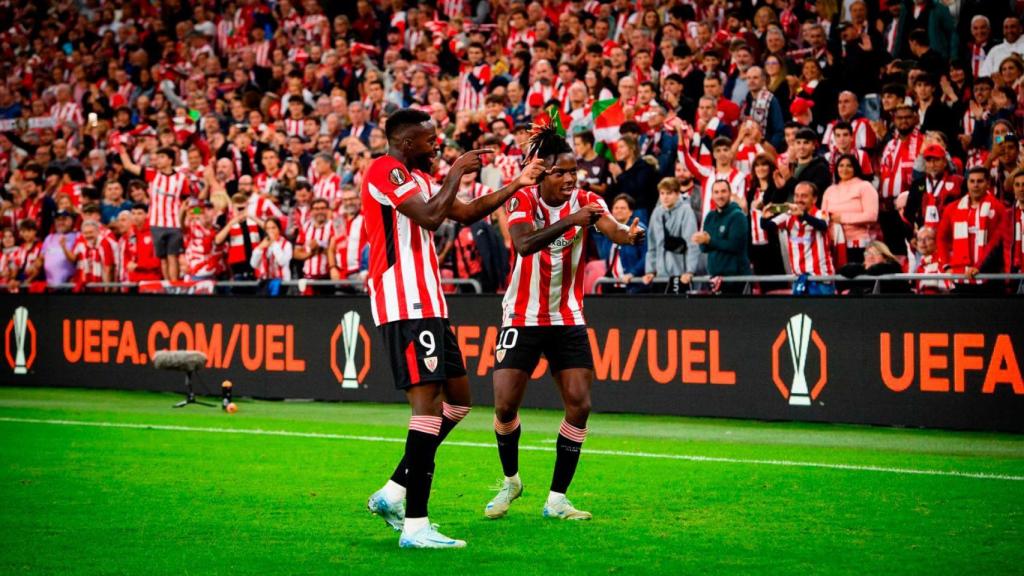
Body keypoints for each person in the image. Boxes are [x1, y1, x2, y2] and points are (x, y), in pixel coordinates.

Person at [363, 108, 543, 549]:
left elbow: (461, 213)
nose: (436, 145)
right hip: (404, 302)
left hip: (430, 303)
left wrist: (516, 184)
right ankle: (416, 526)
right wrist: (458, 172)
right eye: (429, 139)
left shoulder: (420, 179)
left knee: (458, 401)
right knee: (426, 409)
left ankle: (393, 492)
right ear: (406, 143)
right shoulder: (385, 170)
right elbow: (428, 216)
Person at [484, 123, 644, 522]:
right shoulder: (522, 199)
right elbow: (523, 245)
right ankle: (511, 480)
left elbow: (613, 229)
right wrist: (573, 220)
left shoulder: (588, 200)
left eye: (575, 171)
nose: (572, 178)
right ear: (541, 172)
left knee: (580, 404)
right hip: (521, 315)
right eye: (562, 172)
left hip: (566, 316)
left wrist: (629, 236)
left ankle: (557, 499)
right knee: (504, 405)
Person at [118, 146, 191, 281]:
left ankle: (174, 285)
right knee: (163, 258)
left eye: (162, 157)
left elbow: (188, 203)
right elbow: (128, 166)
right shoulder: (152, 174)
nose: (158, 160)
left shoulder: (181, 179)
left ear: (170, 160)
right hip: (156, 223)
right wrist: (121, 150)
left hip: (173, 223)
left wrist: (187, 218)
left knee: (172, 256)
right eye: (157, 157)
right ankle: (168, 284)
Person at [936, 167, 1007, 292]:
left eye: (980, 181)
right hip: (960, 277)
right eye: (972, 181)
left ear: (988, 184)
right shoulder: (952, 209)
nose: (975, 185)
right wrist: (946, 265)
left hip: (988, 277)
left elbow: (997, 243)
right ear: (967, 183)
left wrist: (981, 266)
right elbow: (941, 238)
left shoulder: (999, 209)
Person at [763, 182, 835, 295]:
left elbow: (822, 225)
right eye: (796, 195)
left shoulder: (822, 213)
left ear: (815, 199)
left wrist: (803, 215)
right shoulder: (788, 215)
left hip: (820, 279)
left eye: (804, 196)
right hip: (799, 279)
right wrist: (764, 217)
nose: (799, 199)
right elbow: (767, 226)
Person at [642, 177, 700, 292]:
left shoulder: (686, 211)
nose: (665, 197)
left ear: (677, 193)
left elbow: (692, 243)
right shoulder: (657, 213)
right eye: (662, 193)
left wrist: (690, 271)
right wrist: (650, 270)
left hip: (681, 274)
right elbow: (652, 246)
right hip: (661, 275)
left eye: (669, 193)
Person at [693, 179, 750, 293]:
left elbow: (735, 245)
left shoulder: (738, 216)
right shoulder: (710, 216)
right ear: (712, 195)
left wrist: (709, 240)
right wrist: (702, 241)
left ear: (730, 193)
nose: (720, 196)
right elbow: (704, 248)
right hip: (715, 277)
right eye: (716, 192)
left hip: (736, 278)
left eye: (723, 191)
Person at [822, 154, 880, 265]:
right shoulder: (830, 190)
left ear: (855, 168)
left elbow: (872, 215)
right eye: (841, 165)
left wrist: (842, 218)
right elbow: (823, 215)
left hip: (858, 245)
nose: (844, 169)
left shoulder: (865, 186)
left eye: (849, 166)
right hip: (833, 244)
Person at [838, 241, 911, 295]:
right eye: (867, 254)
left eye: (875, 254)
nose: (870, 257)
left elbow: (875, 271)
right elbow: (842, 272)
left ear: (885, 257)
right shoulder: (861, 269)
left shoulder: (892, 268)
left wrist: (861, 271)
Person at [250, 218, 292, 282]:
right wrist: (260, 248)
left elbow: (282, 262)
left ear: (279, 229)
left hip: (282, 282)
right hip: (265, 281)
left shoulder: (287, 244)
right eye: (268, 228)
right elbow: (253, 264)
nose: (271, 231)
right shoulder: (263, 243)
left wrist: (274, 243)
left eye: (273, 228)